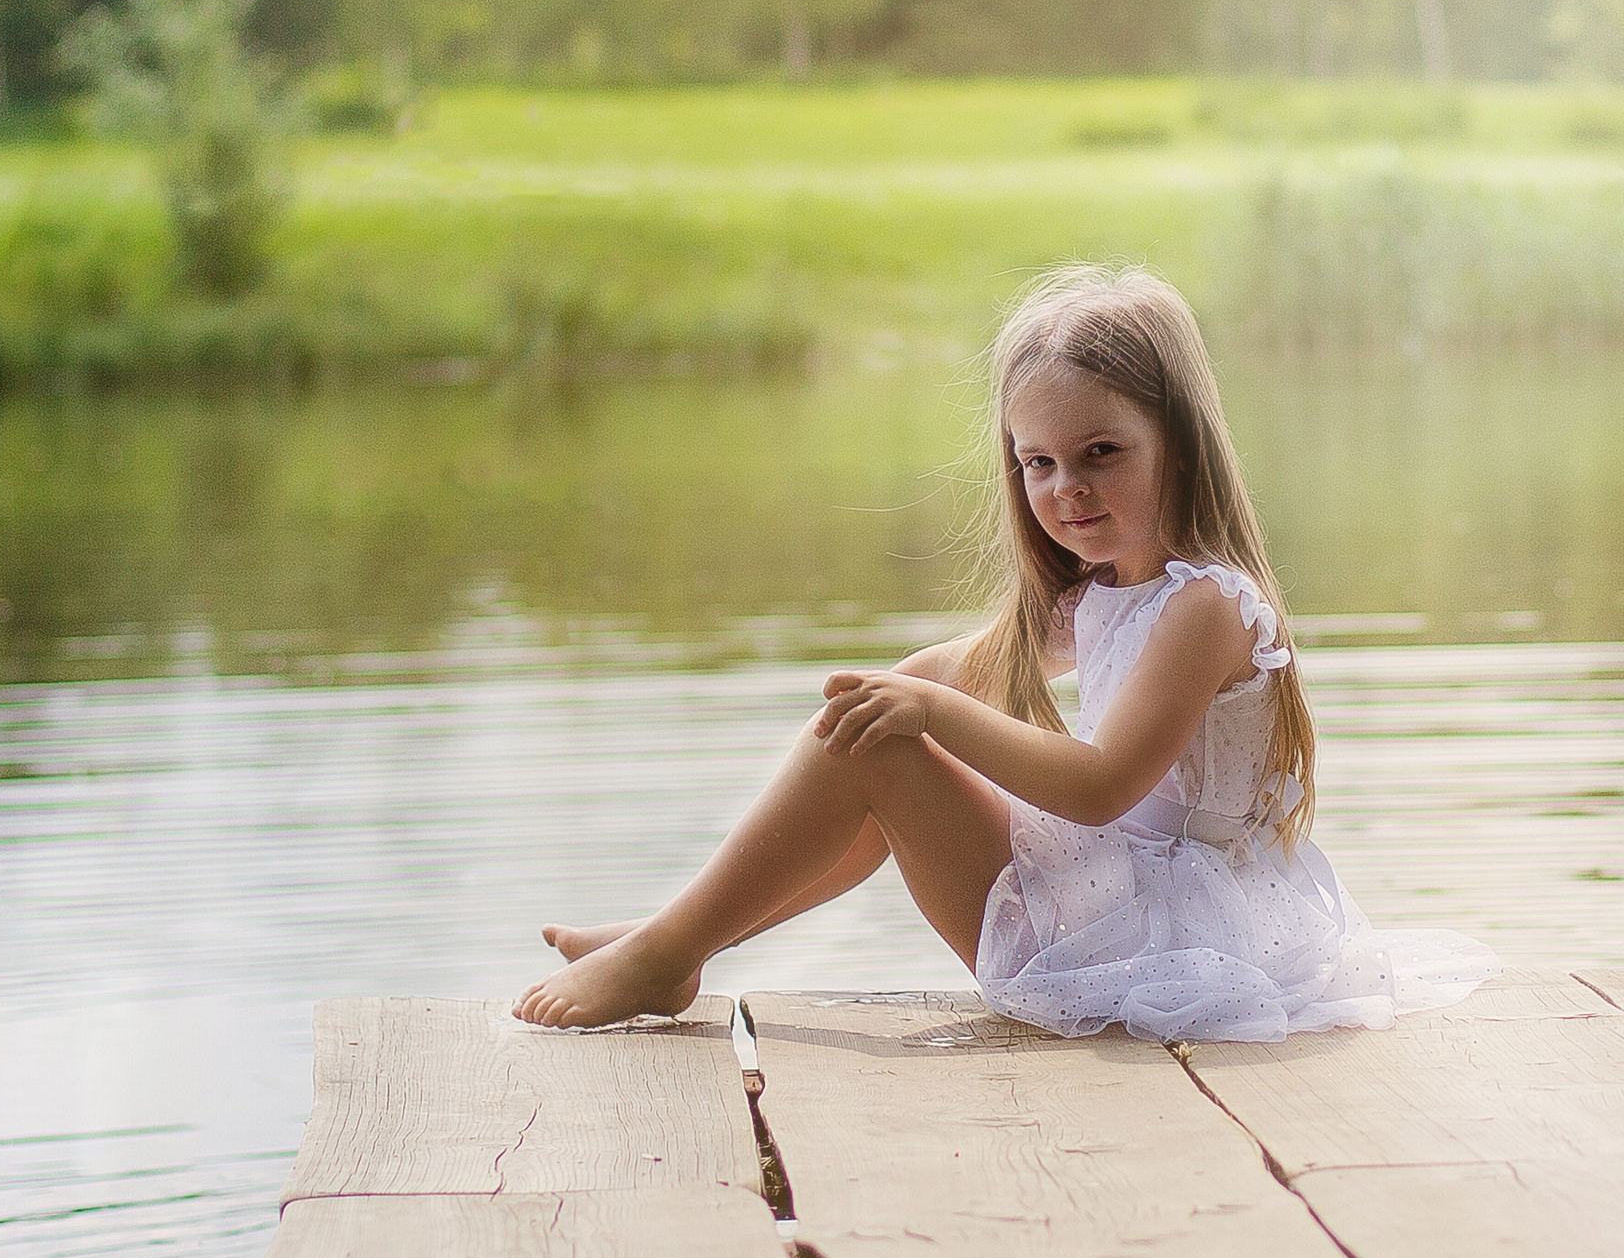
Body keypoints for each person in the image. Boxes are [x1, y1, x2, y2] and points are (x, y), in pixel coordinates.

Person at [516, 264, 1494, 1040]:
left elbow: (1102, 787)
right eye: (1038, 463)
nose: (1066, 487)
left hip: (1148, 946)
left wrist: (925, 716)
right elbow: (938, 675)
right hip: (1124, 912)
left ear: (1182, 445)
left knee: (885, 739)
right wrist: (902, 695)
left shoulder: (1206, 606)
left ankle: (669, 947)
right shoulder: (1100, 594)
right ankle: (675, 940)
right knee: (873, 724)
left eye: (1101, 452)